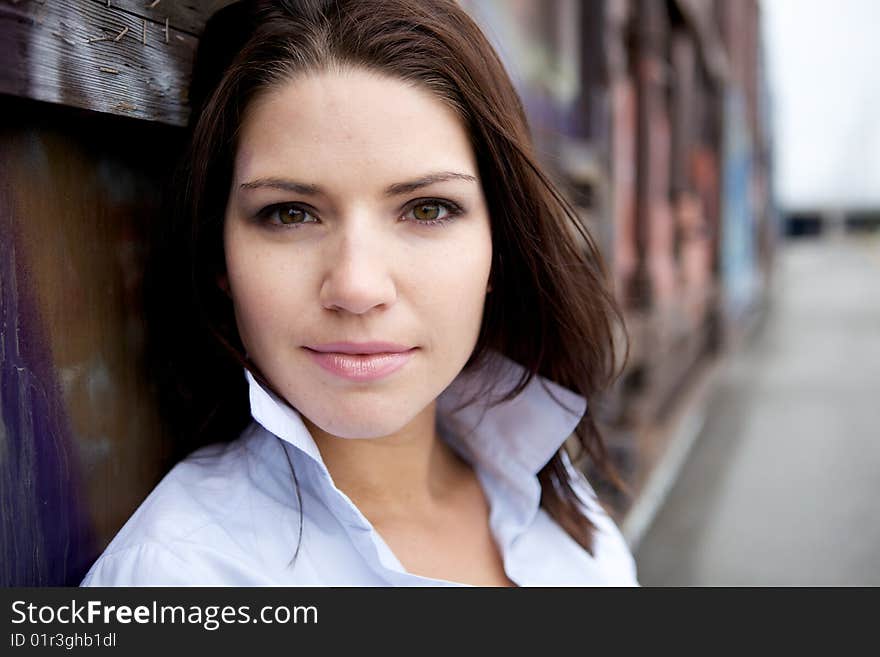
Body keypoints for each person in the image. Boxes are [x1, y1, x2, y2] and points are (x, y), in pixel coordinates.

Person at [81, 0, 638, 586]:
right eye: (290, 213)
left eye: (428, 209)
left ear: (500, 247)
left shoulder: (549, 490)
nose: (356, 287)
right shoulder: (181, 577)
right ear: (218, 254)